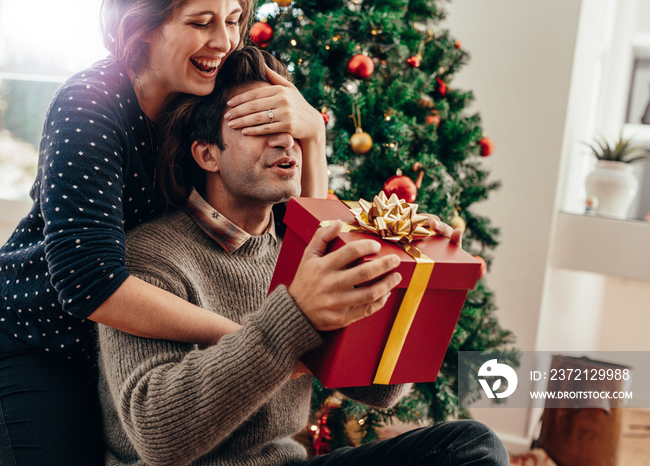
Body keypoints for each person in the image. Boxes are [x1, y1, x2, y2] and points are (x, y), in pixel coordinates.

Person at [98, 45, 508, 466]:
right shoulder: (149, 256)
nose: (284, 142)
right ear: (207, 153)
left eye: (291, 126)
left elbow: (381, 391)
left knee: (473, 447)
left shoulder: (300, 250)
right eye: (260, 125)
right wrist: (294, 314)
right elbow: (156, 437)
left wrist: (415, 271)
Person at [0, 1, 335, 465]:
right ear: (140, 28)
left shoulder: (210, 87)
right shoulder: (90, 104)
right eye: (201, 22)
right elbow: (89, 284)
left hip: (130, 340)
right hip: (44, 337)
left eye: (235, 20)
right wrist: (257, 339)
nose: (224, 41)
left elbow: (291, 227)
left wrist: (313, 137)